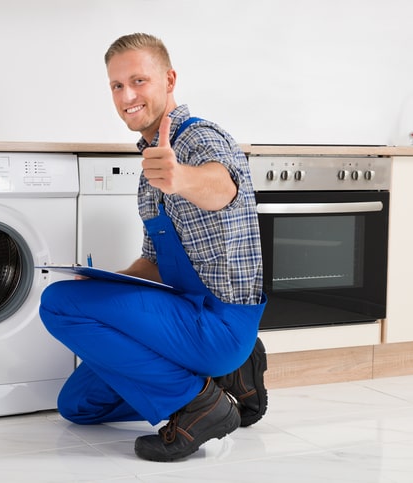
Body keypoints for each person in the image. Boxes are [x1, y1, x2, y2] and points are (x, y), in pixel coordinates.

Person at [39, 32, 267, 462]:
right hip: (187, 319)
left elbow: (223, 185)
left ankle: (199, 407)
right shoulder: (148, 174)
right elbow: (156, 263)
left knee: (57, 304)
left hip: (218, 323)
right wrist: (110, 282)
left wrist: (181, 178)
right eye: (117, 86)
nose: (127, 95)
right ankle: (223, 385)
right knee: (78, 406)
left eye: (139, 81)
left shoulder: (197, 140)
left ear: (169, 79)